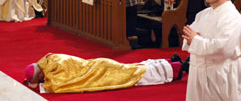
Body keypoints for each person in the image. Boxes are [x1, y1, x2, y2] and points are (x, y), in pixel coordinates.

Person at [182, 0, 241, 101]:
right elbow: (189, 34)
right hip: (197, 71)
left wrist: (195, 40)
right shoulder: (202, 14)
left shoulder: (233, 18)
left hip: (219, 74)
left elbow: (223, 49)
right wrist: (190, 40)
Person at [24, 53, 189, 93]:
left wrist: (40, 87)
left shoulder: (53, 69)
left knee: (136, 76)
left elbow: (59, 85)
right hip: (100, 64)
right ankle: (170, 62)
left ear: (40, 75)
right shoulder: (47, 59)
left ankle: (176, 69)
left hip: (101, 71)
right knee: (133, 68)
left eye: (40, 78)